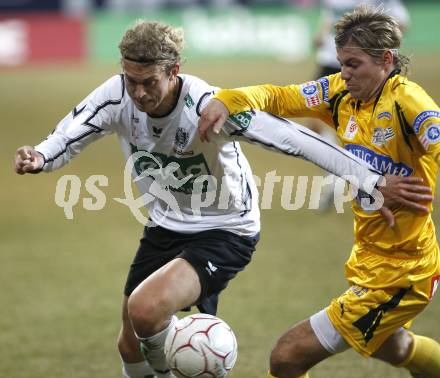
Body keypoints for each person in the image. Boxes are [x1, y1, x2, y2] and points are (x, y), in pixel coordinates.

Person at [14, 19, 432, 378]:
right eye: (131, 81)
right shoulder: (117, 95)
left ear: (174, 71)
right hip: (165, 224)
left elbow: (292, 138)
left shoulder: (205, 106)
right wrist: (42, 156)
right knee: (128, 345)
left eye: (149, 82)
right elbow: (73, 130)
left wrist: (371, 179)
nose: (138, 94)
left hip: (226, 229)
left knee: (146, 311)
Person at [198, 5, 440, 378]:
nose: (344, 72)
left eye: (354, 64)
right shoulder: (340, 92)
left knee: (287, 356)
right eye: (342, 62)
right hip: (371, 257)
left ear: (386, 60)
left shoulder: (410, 104)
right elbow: (279, 97)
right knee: (397, 347)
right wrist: (228, 99)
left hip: (404, 270)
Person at [310, 0, 410, 210]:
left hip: (362, 64)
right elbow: (329, 17)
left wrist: (377, 41)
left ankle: (378, 180)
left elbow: (401, 21)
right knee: (315, 123)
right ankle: (337, 175)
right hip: (330, 61)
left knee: (369, 123)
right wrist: (321, 33)